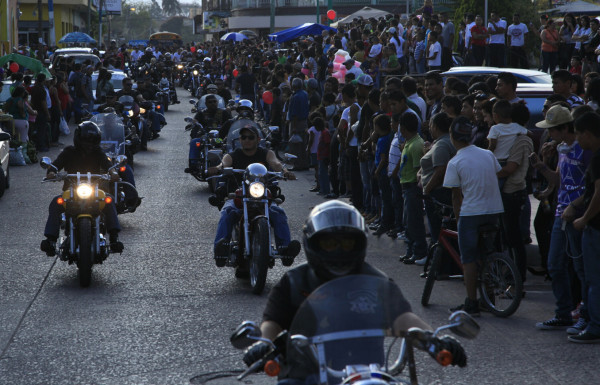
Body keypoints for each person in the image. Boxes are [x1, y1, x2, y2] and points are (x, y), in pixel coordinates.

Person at [241, 200, 467, 383]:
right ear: (314, 244)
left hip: (369, 374)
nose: (338, 250)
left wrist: (434, 340)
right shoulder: (293, 281)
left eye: (347, 244)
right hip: (304, 375)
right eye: (330, 244)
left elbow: (404, 318)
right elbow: (272, 322)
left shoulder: (376, 281)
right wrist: (263, 343)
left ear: (359, 244)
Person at [531, 105, 590, 334]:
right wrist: (541, 165)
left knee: (580, 268)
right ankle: (563, 313)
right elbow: (558, 179)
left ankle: (585, 315)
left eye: (552, 130)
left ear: (564, 128)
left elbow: (592, 184)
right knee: (555, 264)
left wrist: (577, 207)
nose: (549, 134)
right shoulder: (562, 149)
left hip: (579, 214)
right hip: (560, 212)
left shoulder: (585, 148)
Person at [209, 124, 301, 266]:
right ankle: (220, 251)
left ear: (258, 139)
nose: (247, 140)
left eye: (251, 137)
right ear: (240, 139)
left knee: (278, 212)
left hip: (262, 196)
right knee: (227, 212)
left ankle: (285, 251)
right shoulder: (232, 155)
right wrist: (218, 168)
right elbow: (224, 163)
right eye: (244, 137)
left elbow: (275, 163)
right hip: (239, 195)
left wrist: (284, 171)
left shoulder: (266, 153)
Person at [443, 116, 504, 316]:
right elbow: (494, 175)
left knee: (468, 260)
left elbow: (455, 196)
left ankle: (471, 302)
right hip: (494, 209)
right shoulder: (488, 154)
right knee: (487, 253)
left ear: (452, 137)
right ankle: (489, 298)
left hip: (471, 213)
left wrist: (458, 218)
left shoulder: (455, 161)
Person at [40, 121, 124, 256]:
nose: (88, 145)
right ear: (78, 140)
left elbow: (107, 164)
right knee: (56, 203)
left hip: (94, 190)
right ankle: (50, 240)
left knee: (109, 200)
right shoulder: (69, 152)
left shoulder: (98, 152)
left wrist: (113, 173)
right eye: (85, 142)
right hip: (72, 191)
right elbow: (56, 165)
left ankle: (114, 239)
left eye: (91, 142)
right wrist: (51, 172)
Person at [569, 111, 600, 343]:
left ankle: (595, 326)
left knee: (594, 279)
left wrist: (585, 219)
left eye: (579, 134)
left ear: (588, 134)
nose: (577, 139)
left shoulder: (597, 158)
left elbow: (599, 194)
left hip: (596, 227)